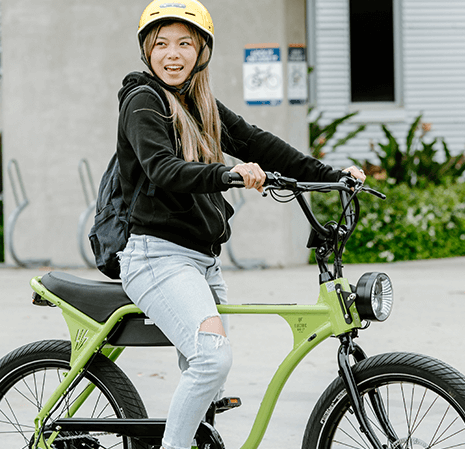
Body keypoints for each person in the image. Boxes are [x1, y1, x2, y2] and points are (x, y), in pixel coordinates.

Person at [116, 2, 366, 448]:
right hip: (156, 257)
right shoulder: (143, 101)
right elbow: (162, 169)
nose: (172, 55)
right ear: (147, 51)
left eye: (185, 44)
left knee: (204, 375)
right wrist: (227, 174)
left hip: (201, 261)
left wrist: (333, 176)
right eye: (161, 44)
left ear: (202, 52)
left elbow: (258, 143)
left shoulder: (200, 104)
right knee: (211, 362)